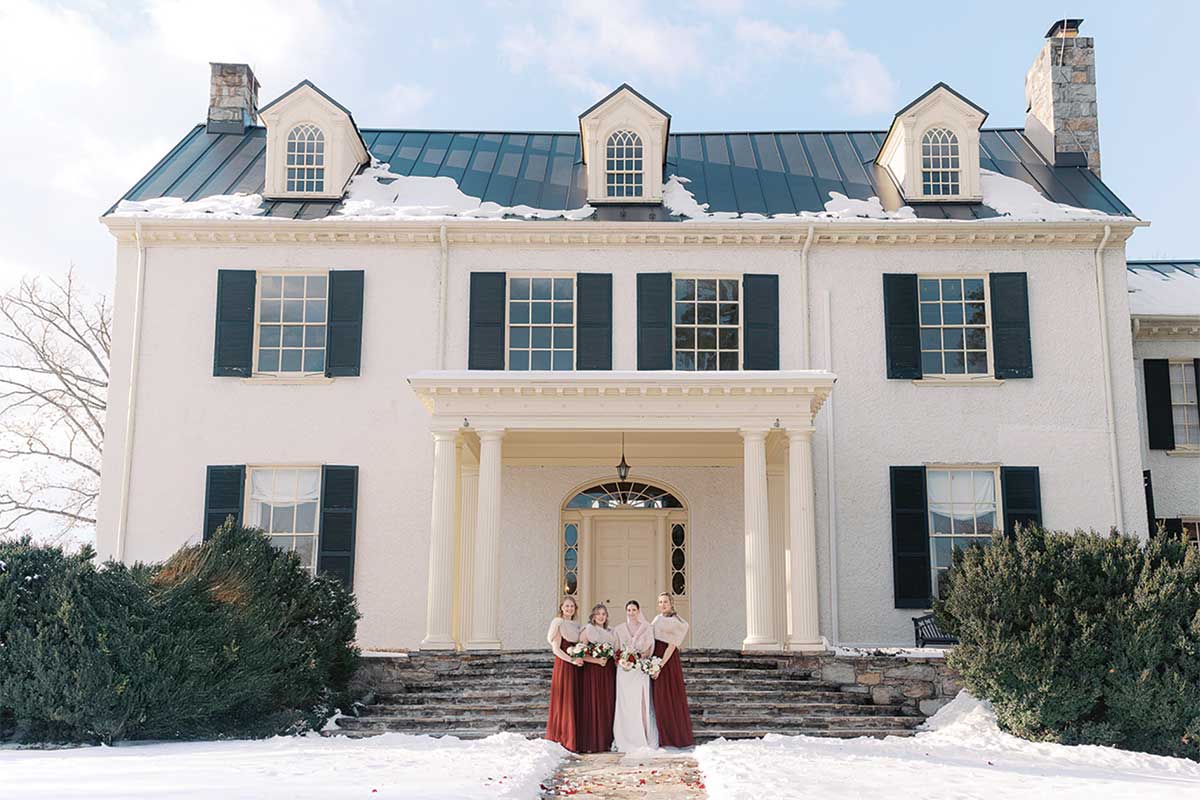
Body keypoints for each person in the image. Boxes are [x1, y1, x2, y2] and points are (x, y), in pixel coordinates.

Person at [612, 599, 658, 751]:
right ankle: (624, 736)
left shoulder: (646, 628)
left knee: (640, 702)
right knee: (625, 703)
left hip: (639, 669)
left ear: (639, 611)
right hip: (624, 671)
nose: (631, 613)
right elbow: (616, 650)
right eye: (629, 610)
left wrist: (639, 659)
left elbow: (649, 649)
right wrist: (623, 660)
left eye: (634, 610)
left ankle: (643, 736)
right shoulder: (619, 629)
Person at [651, 592, 694, 747]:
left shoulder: (677, 622)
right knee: (658, 699)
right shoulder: (657, 619)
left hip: (667, 661)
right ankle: (662, 735)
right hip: (655, 657)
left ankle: (673, 737)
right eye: (660, 602)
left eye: (665, 602)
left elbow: (671, 646)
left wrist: (660, 665)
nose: (662, 605)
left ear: (671, 603)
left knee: (669, 697)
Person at [576, 603, 617, 753]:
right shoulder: (588, 630)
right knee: (595, 703)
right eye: (598, 614)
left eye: (604, 614)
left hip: (608, 671)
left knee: (608, 703)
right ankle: (593, 741)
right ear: (593, 616)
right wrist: (597, 661)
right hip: (593, 672)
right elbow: (579, 653)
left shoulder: (611, 632)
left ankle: (607, 740)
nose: (601, 616)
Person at [546, 595, 583, 751]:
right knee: (564, 698)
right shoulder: (558, 623)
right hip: (564, 665)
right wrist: (571, 660)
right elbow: (556, 649)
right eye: (567, 606)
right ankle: (563, 736)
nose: (569, 609)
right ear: (562, 607)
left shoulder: (576, 626)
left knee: (574, 698)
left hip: (576, 666)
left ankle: (575, 736)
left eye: (572, 606)